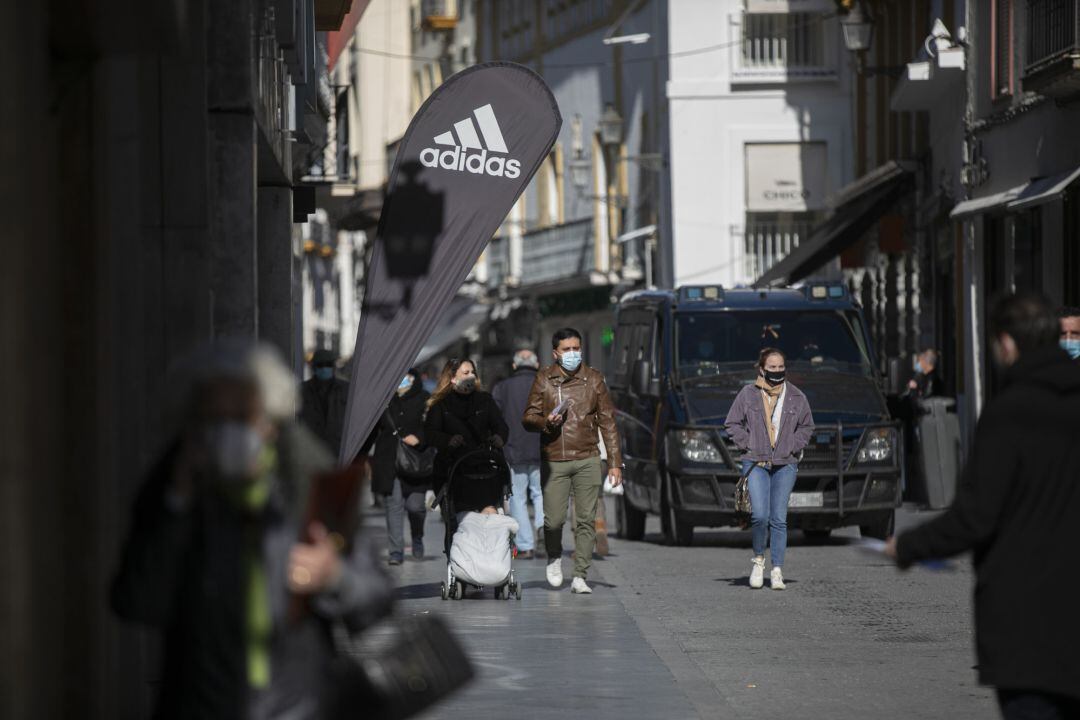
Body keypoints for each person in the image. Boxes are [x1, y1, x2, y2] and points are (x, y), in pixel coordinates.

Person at [111, 342, 391, 719]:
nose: (228, 431)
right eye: (213, 419)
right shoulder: (171, 490)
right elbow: (136, 600)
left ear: (270, 422)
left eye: (242, 416)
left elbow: (376, 598)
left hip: (300, 706)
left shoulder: (311, 488)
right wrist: (176, 503)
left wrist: (334, 577)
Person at [885, 293, 1080, 719]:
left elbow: (976, 514)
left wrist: (909, 546)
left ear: (1007, 344)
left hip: (1028, 624)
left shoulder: (1010, 411)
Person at [522, 328, 623, 594]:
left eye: (576, 348)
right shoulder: (544, 379)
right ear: (556, 353)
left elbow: (608, 422)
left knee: (586, 520)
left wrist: (614, 462)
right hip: (555, 459)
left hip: (587, 458)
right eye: (566, 350)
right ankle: (554, 556)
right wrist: (546, 422)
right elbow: (528, 417)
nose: (572, 354)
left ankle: (580, 574)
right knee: (554, 520)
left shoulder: (594, 379)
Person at [724, 348, 815, 590]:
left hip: (786, 464)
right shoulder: (748, 394)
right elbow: (731, 422)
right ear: (762, 369)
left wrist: (794, 446)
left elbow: (807, 426)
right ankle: (758, 560)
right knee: (759, 515)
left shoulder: (796, 396)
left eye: (780, 367)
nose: (777, 371)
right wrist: (747, 443)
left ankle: (777, 569)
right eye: (772, 367)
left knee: (778, 519)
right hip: (756, 462)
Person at [425, 358, 509, 514]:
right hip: (452, 469)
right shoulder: (441, 404)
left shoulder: (485, 400)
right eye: (466, 373)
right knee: (459, 520)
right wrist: (448, 440)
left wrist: (499, 437)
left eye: (473, 373)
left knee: (490, 514)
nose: (471, 376)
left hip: (483, 467)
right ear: (452, 378)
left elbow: (501, 425)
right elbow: (430, 434)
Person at [370, 369, 431, 565]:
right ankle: (395, 551)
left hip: (416, 462)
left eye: (407, 376)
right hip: (389, 459)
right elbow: (373, 428)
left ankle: (417, 537)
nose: (403, 380)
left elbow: (434, 427)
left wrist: (420, 438)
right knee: (393, 505)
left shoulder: (424, 398)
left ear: (414, 378)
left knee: (416, 507)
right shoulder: (384, 399)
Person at [491, 349, 545, 559]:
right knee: (541, 494)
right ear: (537, 364)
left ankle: (525, 545)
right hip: (541, 450)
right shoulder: (545, 385)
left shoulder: (502, 388)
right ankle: (543, 530)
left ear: (514, 366)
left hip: (513, 450)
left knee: (518, 498)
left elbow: (495, 420)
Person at [299, 349, 349, 459]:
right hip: (311, 452)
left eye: (328, 365)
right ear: (314, 367)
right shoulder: (302, 390)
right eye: (321, 365)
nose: (325, 368)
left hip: (339, 452)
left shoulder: (346, 389)